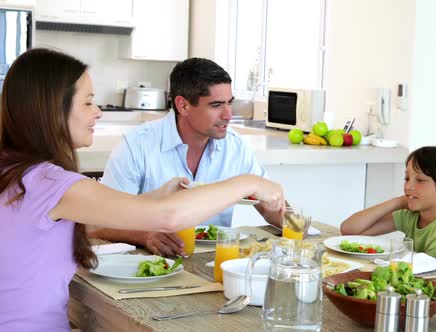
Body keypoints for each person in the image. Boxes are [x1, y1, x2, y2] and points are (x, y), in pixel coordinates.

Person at [0, 48, 284, 331]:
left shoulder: (18, 174)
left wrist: (157, 196)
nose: (98, 112)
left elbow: (96, 219)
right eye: (88, 102)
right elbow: (168, 217)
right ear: (52, 109)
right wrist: (249, 182)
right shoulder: (51, 184)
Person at [90, 57, 285, 257]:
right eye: (216, 105)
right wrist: (145, 235)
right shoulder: (136, 146)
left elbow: (271, 207)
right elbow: (99, 223)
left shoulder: (235, 147)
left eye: (230, 103)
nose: (228, 114)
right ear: (183, 106)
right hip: (152, 266)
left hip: (214, 262)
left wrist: (287, 218)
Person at [340, 146, 436, 264]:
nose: (408, 186)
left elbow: (429, 279)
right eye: (407, 178)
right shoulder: (413, 216)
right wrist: (398, 201)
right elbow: (350, 229)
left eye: (420, 180)